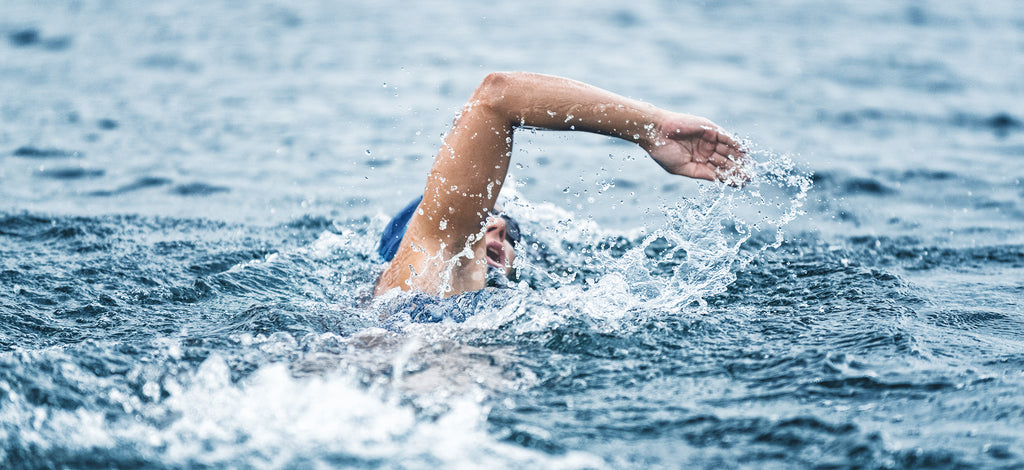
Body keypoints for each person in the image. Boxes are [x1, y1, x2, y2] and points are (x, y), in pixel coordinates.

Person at [374, 72, 747, 298]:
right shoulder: (422, 269)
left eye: (512, 233)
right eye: (476, 221)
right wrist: (650, 128)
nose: (499, 225)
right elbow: (497, 95)